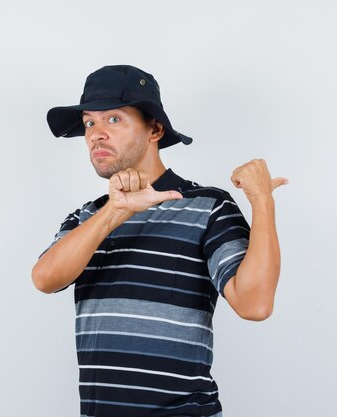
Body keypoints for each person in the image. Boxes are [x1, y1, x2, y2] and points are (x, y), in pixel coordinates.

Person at [32, 64, 288, 417]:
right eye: (90, 122)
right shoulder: (87, 218)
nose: (96, 134)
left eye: (114, 120)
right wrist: (114, 213)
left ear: (154, 129)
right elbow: (45, 279)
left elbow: (255, 304)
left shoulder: (207, 206)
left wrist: (262, 201)